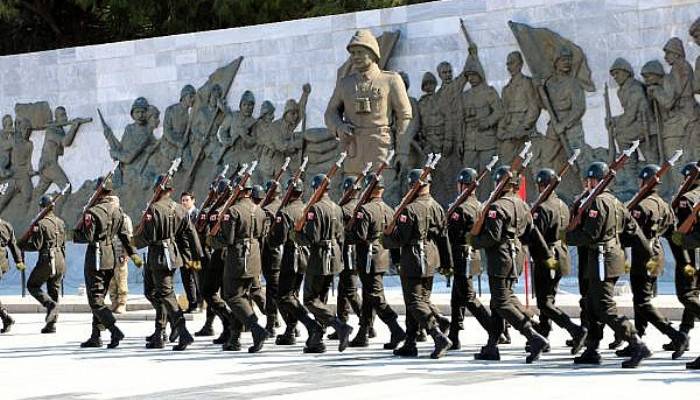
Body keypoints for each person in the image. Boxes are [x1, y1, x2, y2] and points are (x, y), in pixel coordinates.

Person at [566, 161, 654, 368]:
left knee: (603, 306)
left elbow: (590, 235)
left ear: (600, 181)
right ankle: (592, 348)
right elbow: (632, 231)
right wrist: (641, 252)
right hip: (606, 257)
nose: (589, 183)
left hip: (601, 259)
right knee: (590, 304)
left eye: (592, 179)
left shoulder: (597, 203)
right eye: (588, 180)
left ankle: (636, 342)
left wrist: (568, 235)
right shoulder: (615, 202)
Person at [472, 166, 553, 363]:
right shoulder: (522, 205)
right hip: (516, 255)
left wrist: (473, 240)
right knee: (499, 301)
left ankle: (533, 337)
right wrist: (545, 256)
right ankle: (492, 346)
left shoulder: (496, 207)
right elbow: (529, 233)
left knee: (501, 302)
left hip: (500, 257)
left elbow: (492, 237)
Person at [384, 169, 453, 359]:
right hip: (431, 257)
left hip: (413, 258)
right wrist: (447, 263)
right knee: (417, 301)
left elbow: (400, 238)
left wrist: (387, 237)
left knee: (414, 301)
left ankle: (437, 335)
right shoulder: (437, 207)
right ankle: (411, 341)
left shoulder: (409, 209)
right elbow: (443, 237)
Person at [621, 164, 688, 359]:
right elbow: (670, 231)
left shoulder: (641, 207)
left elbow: (633, 235)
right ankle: (638, 337)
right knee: (641, 299)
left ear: (643, 181)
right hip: (657, 255)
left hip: (643, 257)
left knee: (642, 302)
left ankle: (675, 335)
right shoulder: (664, 205)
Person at [134, 175, 202, 351]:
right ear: (170, 191)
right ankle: (159, 332)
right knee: (153, 292)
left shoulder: (153, 209)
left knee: (167, 295)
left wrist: (133, 242)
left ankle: (182, 332)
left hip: (159, 257)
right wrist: (197, 255)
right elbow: (191, 232)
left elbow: (146, 237)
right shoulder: (179, 208)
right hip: (170, 255)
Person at [73, 176, 143, 348]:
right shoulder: (118, 212)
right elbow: (126, 238)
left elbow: (87, 237)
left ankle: (114, 330)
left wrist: (77, 230)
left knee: (95, 300)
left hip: (96, 257)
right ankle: (95, 336)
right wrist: (134, 256)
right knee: (100, 297)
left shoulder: (93, 212)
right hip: (111, 258)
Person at [295, 174, 353, 353]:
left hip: (319, 257)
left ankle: (339, 326)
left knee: (310, 299)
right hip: (334, 257)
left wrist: (296, 234)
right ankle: (316, 340)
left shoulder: (314, 209)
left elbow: (312, 237)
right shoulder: (337, 207)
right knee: (321, 299)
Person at [209, 178, 269, 353]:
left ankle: (256, 329)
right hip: (254, 257)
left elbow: (228, 238)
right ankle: (235, 338)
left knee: (232, 296)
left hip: (238, 258)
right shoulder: (259, 210)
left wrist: (212, 240)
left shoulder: (233, 211)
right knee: (243, 297)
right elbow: (261, 234)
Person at [531, 168, 587, 353]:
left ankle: (574, 330)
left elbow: (536, 236)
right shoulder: (562, 205)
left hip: (547, 257)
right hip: (561, 255)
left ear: (541, 185)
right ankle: (543, 332)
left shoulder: (542, 208)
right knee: (549, 297)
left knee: (544, 303)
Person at [348, 173, 406, 348]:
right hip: (382, 256)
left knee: (375, 296)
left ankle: (395, 328)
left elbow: (359, 236)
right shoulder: (389, 209)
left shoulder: (364, 210)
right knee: (368, 296)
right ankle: (363, 332)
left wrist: (347, 231)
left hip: (368, 257)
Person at [445, 168, 491, 349]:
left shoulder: (460, 209)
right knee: (457, 297)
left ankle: (494, 329)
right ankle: (453, 335)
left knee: (468, 297)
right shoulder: (478, 205)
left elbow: (451, 234)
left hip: (460, 255)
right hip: (472, 255)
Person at [18, 194, 67, 334]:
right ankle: (51, 324)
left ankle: (50, 305)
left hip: (47, 259)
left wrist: (21, 245)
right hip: (60, 259)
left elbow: (36, 245)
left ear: (42, 207)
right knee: (54, 290)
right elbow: (63, 244)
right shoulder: (61, 222)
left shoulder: (41, 224)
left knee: (32, 285)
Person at [269, 177, 309, 345]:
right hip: (306, 257)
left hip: (291, 257)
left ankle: (308, 324)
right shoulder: (308, 207)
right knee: (293, 294)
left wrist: (271, 235)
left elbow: (278, 239)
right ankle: (290, 329)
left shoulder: (285, 212)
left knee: (283, 296)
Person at [0, 214, 24, 333]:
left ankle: (5, 317)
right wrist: (19, 261)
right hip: (2, 265)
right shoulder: (6, 225)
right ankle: (5, 318)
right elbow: (13, 246)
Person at [180, 191, 201, 313]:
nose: (184, 202)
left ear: (193, 201)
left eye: (187, 200)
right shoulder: (181, 215)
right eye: (182, 200)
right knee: (187, 279)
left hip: (194, 253)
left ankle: (199, 303)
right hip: (184, 254)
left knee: (196, 277)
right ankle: (192, 304)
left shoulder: (197, 214)